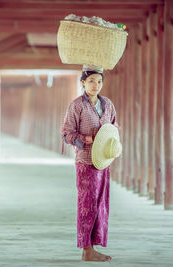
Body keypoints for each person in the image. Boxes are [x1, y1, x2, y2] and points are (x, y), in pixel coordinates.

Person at [61, 65, 118, 262]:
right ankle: (86, 249)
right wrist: (86, 139)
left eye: (99, 81)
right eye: (92, 81)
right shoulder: (77, 106)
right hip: (85, 162)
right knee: (87, 205)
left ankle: (94, 246)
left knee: (101, 204)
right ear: (83, 82)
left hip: (103, 162)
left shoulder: (108, 105)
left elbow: (114, 130)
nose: (96, 85)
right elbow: (66, 134)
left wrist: (112, 146)